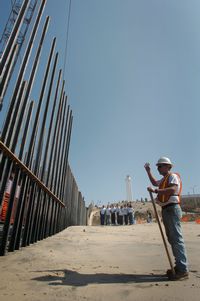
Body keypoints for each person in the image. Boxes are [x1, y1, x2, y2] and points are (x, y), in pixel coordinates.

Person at [144, 157, 189, 281]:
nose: (158, 168)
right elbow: (154, 183)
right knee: (171, 238)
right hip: (166, 209)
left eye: (160, 166)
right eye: (157, 166)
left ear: (168, 166)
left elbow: (173, 189)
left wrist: (157, 191)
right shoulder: (164, 179)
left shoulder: (172, 176)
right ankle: (178, 266)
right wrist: (148, 172)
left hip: (172, 208)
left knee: (176, 238)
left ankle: (183, 269)